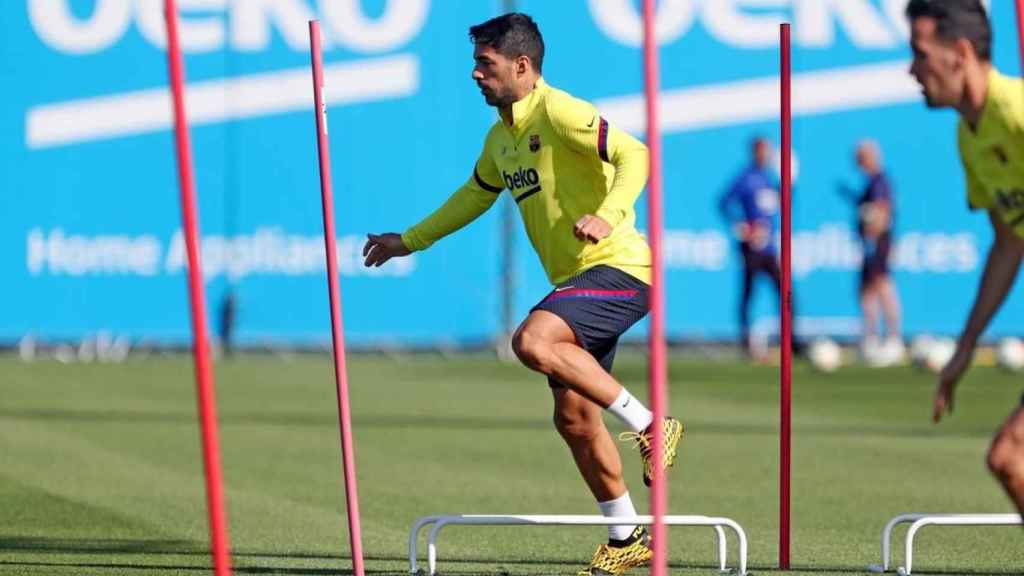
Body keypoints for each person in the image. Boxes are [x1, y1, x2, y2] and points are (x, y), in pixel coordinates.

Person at [361, 13, 684, 574]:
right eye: (474, 64)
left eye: (485, 65)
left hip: (622, 269)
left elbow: (637, 154)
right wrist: (408, 241)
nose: (475, 75)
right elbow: (472, 197)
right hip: (577, 282)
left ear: (522, 67)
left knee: (532, 340)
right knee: (575, 419)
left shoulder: (558, 110)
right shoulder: (499, 140)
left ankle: (651, 424)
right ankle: (626, 535)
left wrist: (610, 215)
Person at [907, 0, 1024, 519]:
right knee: (1009, 459)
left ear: (958, 53)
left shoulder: (1017, 113)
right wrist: (965, 348)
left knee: (1012, 455)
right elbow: (1009, 242)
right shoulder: (969, 134)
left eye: (919, 53)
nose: (912, 70)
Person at [718, 137, 799, 360]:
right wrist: (741, 225)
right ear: (755, 152)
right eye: (762, 151)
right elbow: (724, 202)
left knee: (786, 292)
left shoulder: (770, 179)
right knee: (748, 294)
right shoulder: (746, 178)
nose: (766, 155)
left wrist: (791, 183)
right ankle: (746, 342)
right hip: (751, 248)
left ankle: (791, 340)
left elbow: (784, 203)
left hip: (769, 249)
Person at [852, 140, 904, 365]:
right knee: (866, 289)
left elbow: (883, 211)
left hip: (878, 241)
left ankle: (893, 338)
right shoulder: (870, 182)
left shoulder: (880, 181)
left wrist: (872, 228)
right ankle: (870, 337)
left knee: (882, 284)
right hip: (869, 241)